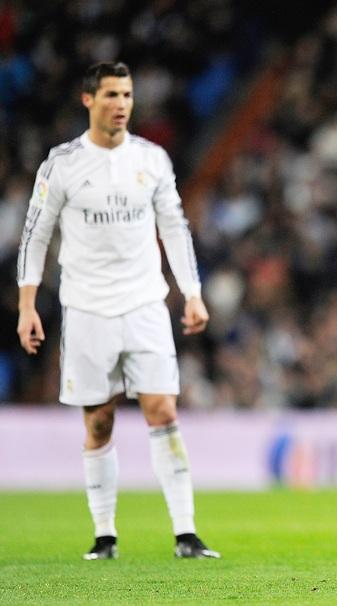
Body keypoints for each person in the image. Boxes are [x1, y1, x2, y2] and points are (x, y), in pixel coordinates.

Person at [16, 62, 219, 561]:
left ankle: (186, 533)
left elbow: (175, 227)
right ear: (88, 100)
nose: (122, 103)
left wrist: (191, 292)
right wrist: (27, 305)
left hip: (145, 304)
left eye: (127, 94)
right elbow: (35, 235)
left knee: (163, 409)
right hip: (86, 309)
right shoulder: (61, 164)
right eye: (111, 94)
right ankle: (105, 535)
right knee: (100, 422)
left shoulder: (152, 159)